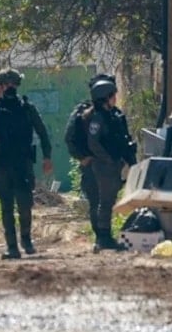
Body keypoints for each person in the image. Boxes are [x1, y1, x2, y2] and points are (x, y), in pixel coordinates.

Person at [0, 68, 53, 260]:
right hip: (3, 163)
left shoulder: (28, 109)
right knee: (6, 206)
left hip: (23, 163)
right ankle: (12, 246)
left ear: (17, 85)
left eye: (13, 84)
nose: (10, 87)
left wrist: (47, 157)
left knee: (25, 204)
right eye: (6, 84)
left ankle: (26, 240)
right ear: (1, 86)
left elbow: (43, 132)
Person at [65, 75, 137, 252]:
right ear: (105, 97)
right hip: (103, 166)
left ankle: (105, 237)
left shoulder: (111, 115)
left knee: (108, 201)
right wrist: (106, 158)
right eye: (112, 95)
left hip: (110, 165)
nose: (115, 98)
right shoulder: (97, 118)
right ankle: (103, 238)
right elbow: (93, 143)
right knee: (104, 202)